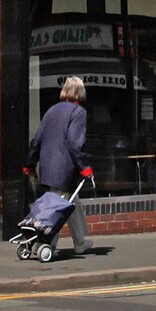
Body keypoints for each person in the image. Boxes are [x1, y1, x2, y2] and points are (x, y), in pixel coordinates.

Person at [25, 74, 92, 257]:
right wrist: (85, 167)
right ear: (80, 92)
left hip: (47, 168)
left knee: (72, 204)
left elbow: (37, 139)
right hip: (64, 169)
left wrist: (30, 163)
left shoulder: (52, 110)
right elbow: (74, 143)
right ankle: (44, 243)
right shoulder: (78, 112)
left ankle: (80, 242)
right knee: (57, 209)